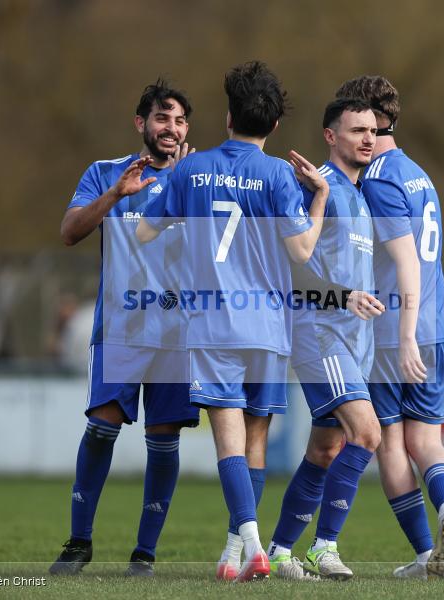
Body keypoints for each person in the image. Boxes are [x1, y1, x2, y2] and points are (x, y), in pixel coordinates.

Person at [137, 61, 329, 582]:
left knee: (228, 441)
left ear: (227, 117)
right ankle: (233, 554)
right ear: (271, 127)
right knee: (256, 438)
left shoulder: (190, 169)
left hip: (213, 324)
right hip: (267, 328)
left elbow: (145, 235)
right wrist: (321, 199)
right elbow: (302, 251)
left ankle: (249, 544)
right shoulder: (278, 176)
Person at [49, 80, 200, 577]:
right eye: (162, 119)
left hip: (177, 335)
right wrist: (117, 194)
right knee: (101, 428)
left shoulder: (197, 180)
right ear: (141, 124)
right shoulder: (106, 173)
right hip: (120, 328)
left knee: (164, 441)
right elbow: (70, 232)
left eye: (179, 121)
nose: (171, 129)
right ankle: (78, 542)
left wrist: (189, 189)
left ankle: (145, 553)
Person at [336, 75, 444, 579]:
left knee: (391, 445)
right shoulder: (419, 173)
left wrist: (404, 333)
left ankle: (421, 551)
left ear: (370, 118)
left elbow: (406, 262)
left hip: (394, 331)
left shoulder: (380, 178)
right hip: (434, 326)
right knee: (428, 442)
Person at [266, 98, 386, 581]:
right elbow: (290, 268)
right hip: (320, 333)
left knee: (323, 451)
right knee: (368, 434)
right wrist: (344, 296)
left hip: (354, 342)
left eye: (373, 130)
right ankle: (324, 548)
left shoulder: (361, 196)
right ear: (330, 136)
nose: (368, 138)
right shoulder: (318, 187)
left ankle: (278, 551)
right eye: (357, 129)